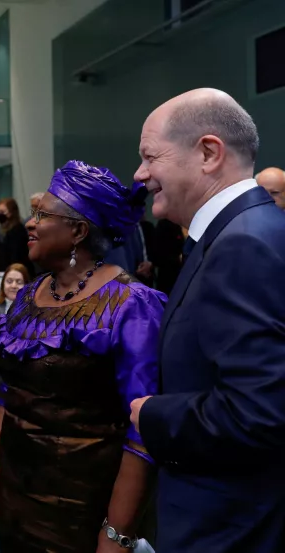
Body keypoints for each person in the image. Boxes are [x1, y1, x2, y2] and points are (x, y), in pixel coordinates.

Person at [0, 160, 166, 553]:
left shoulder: (132, 305)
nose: (30, 224)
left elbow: (143, 430)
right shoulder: (29, 295)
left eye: (42, 214)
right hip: (16, 489)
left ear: (78, 231)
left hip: (83, 503)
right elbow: (11, 388)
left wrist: (117, 532)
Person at [130, 89, 285, 553]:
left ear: (208, 153)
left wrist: (152, 413)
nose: (139, 175)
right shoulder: (243, 232)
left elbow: (259, 413)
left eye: (149, 157)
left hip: (231, 526)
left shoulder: (243, 244)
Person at [0, 263, 30, 362]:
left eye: (19, 282)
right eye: (9, 281)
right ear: (3, 284)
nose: (14, 286)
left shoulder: (32, 310)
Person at [0, 197, 32, 275]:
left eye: (2, 211)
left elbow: (16, 257)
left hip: (16, 272)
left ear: (11, 212)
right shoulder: (6, 230)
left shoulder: (17, 231)